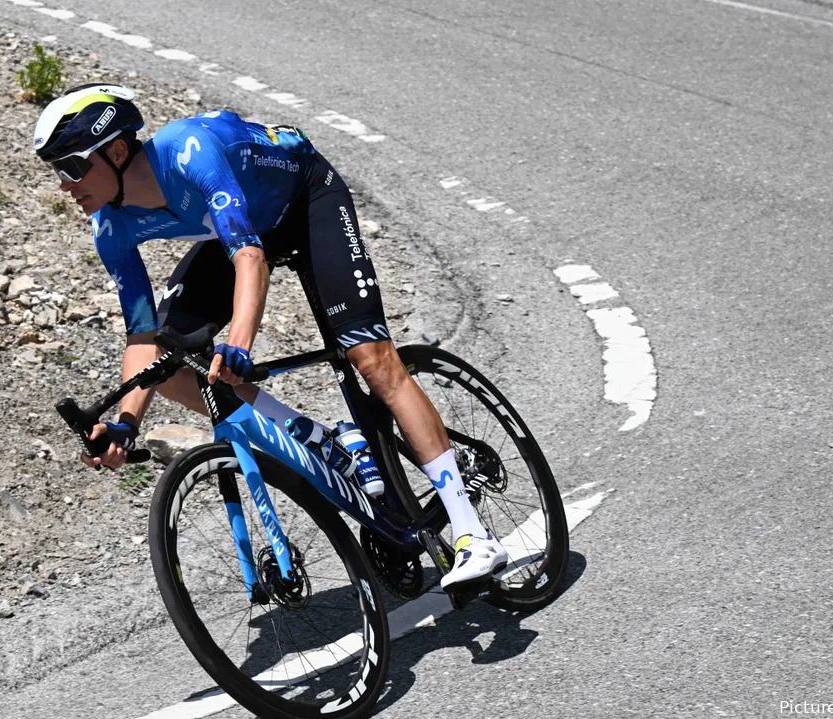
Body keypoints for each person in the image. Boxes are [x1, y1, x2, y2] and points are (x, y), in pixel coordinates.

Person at [33, 83, 507, 589]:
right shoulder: (110, 227)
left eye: (73, 167)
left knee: (371, 359)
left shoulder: (191, 151)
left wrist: (239, 343)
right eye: (56, 171)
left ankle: (472, 533)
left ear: (119, 151)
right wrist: (126, 424)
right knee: (171, 362)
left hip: (306, 199)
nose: (65, 184)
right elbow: (141, 332)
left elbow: (250, 258)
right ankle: (323, 440)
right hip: (237, 228)